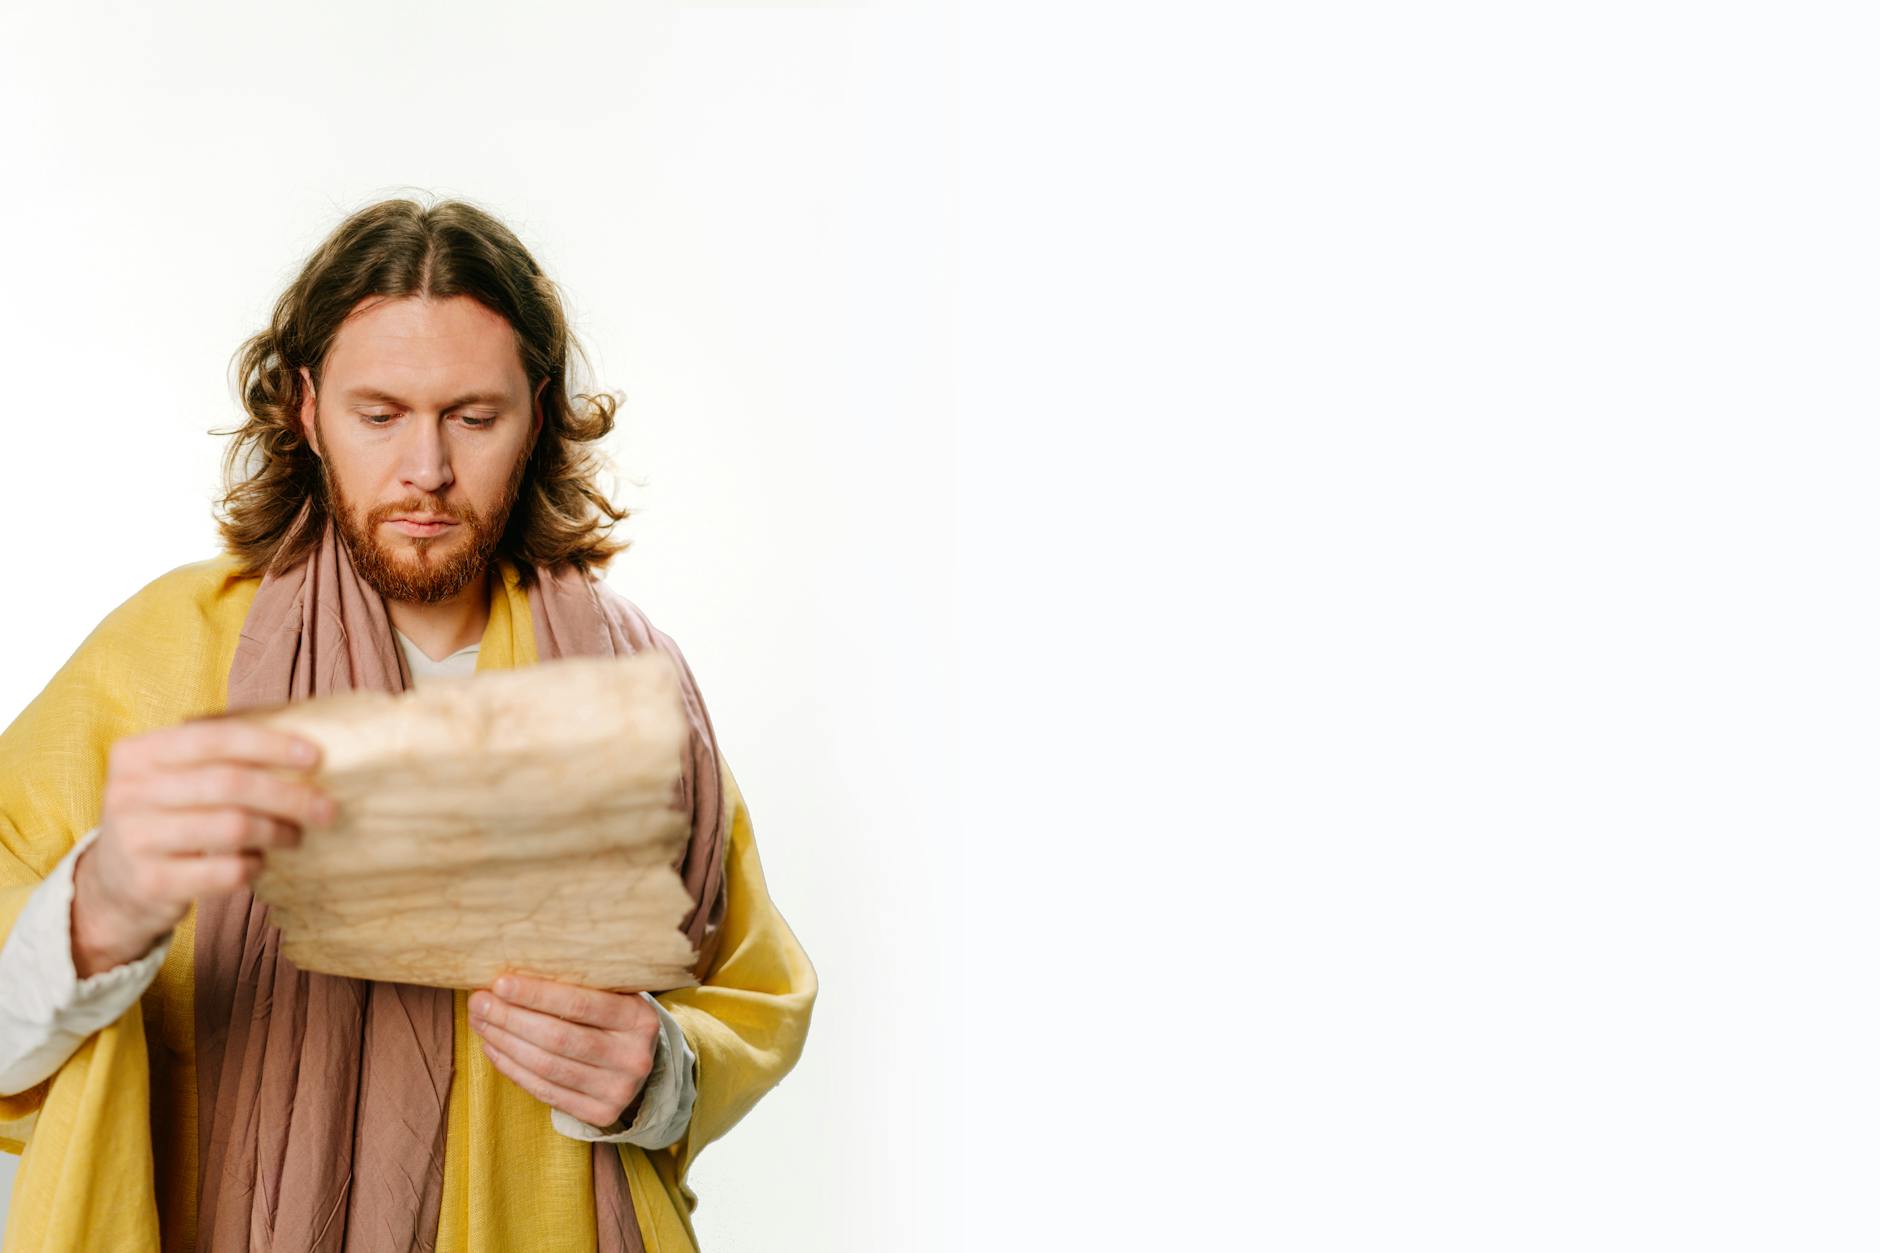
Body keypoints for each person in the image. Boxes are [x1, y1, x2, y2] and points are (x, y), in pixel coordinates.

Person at [0, 196, 817, 1252]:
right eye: (378, 414)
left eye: (472, 418)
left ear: (537, 409)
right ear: (304, 409)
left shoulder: (634, 678)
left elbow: (748, 990)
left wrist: (661, 1073)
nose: (425, 469)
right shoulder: (166, 657)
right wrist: (92, 914)